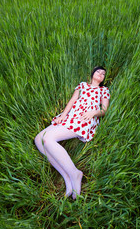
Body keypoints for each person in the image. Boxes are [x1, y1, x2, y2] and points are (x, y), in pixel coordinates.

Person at [34, 66, 111, 199]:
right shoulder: (82, 85)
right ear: (92, 73)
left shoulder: (103, 90)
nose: (100, 74)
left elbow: (104, 110)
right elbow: (72, 101)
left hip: (84, 118)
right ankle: (67, 177)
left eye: (103, 74)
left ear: (103, 79)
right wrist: (63, 115)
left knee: (48, 139)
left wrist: (94, 112)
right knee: (38, 139)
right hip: (70, 116)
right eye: (98, 71)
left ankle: (75, 173)